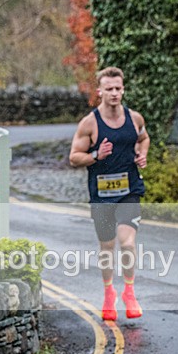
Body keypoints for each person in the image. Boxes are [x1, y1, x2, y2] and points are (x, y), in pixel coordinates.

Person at [68, 67, 150, 321]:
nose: (114, 93)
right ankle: (108, 293)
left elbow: (144, 138)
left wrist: (142, 153)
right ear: (100, 91)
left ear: (123, 90)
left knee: (127, 243)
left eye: (118, 88)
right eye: (109, 89)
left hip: (129, 190)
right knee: (107, 246)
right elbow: (74, 157)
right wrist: (96, 155)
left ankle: (129, 290)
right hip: (102, 194)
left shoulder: (134, 118)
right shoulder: (90, 123)